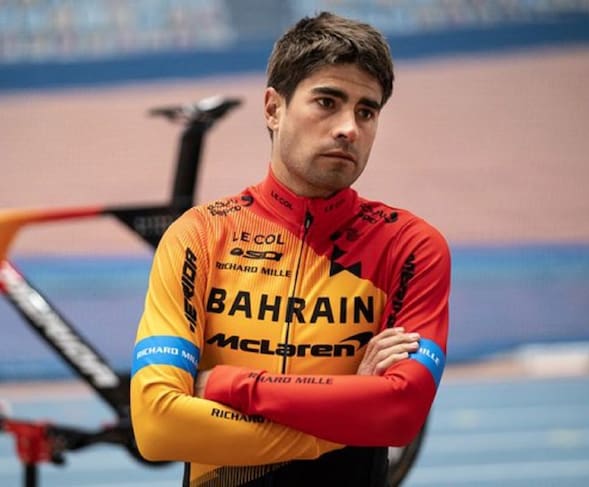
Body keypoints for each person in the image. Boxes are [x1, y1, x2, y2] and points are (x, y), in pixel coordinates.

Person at [130, 11, 450, 487]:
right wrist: (350, 414)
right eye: (327, 102)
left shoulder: (410, 247)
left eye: (366, 111)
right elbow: (157, 426)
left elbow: (400, 413)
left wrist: (232, 385)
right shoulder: (199, 235)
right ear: (273, 109)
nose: (349, 128)